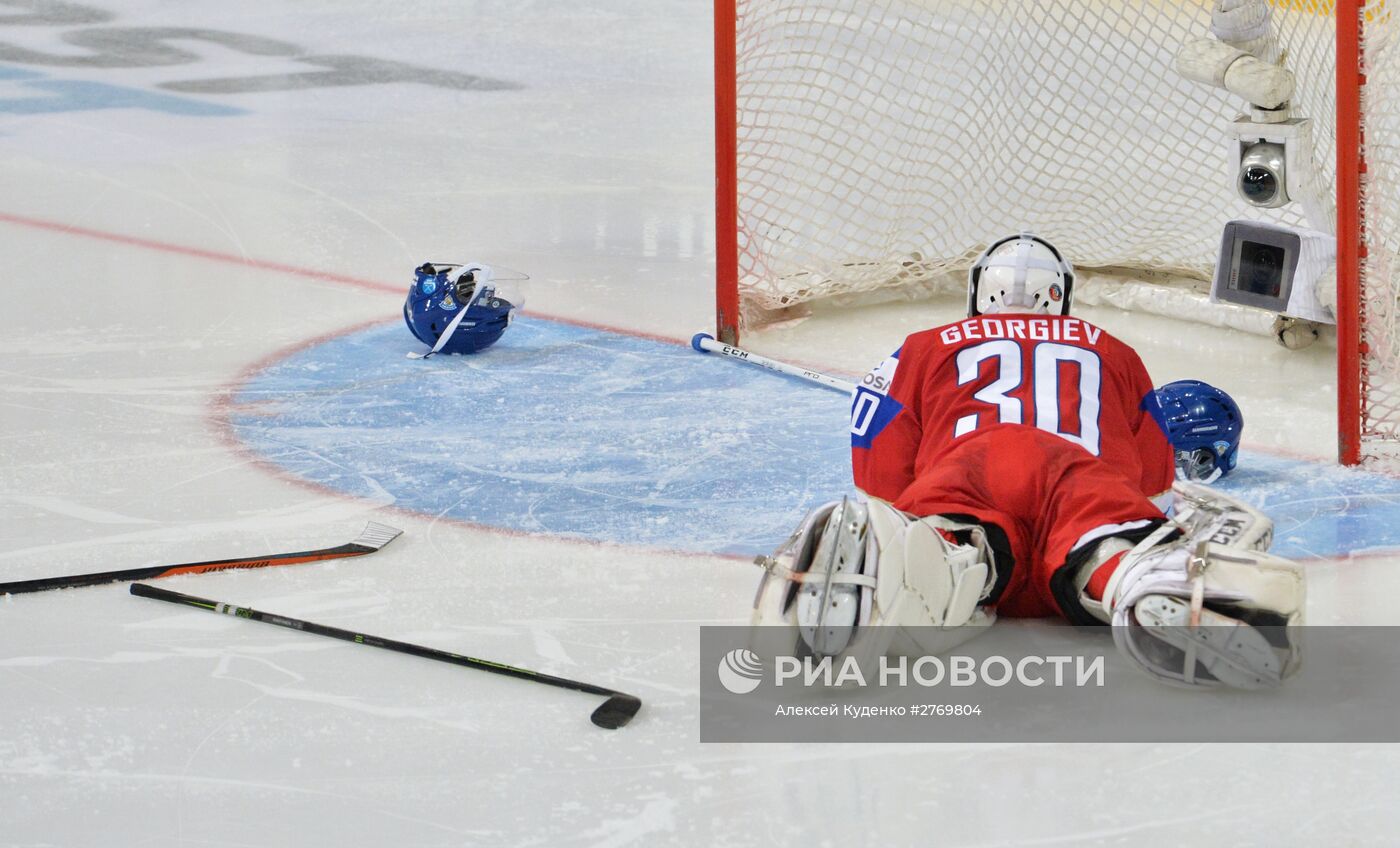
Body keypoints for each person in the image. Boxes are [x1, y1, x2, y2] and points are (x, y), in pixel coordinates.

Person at [752, 233, 1302, 689]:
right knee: (1107, 546)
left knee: (954, 547)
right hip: (1080, 477)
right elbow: (1153, 476)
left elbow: (878, 466)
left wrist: (915, 506)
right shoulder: (1115, 350)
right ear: (1060, 296)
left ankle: (927, 566)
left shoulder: (922, 346)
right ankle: (1134, 577)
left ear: (977, 293)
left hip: (972, 468)